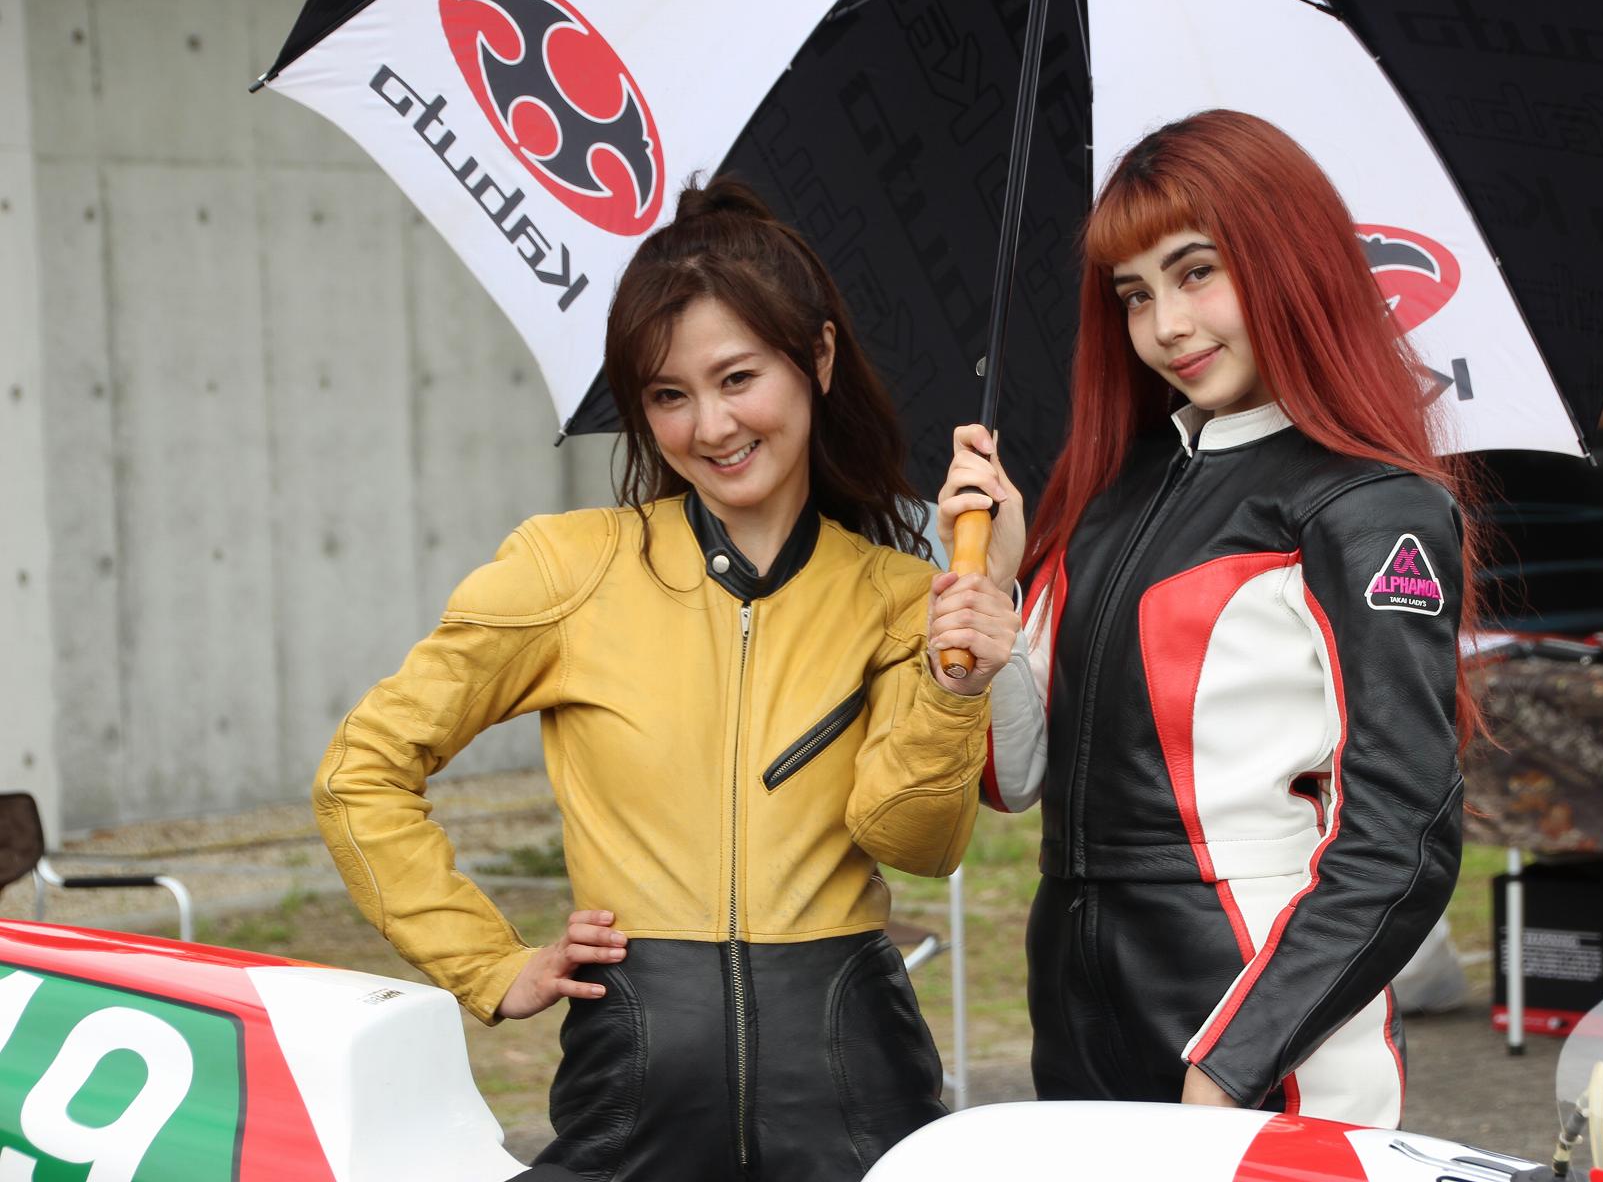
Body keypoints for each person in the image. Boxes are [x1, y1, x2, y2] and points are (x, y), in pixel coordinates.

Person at [315, 176, 1021, 1182]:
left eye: (738, 377)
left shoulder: (901, 594)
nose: (711, 425)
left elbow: (915, 842)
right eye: (668, 395)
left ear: (818, 358)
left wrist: (956, 682)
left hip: (855, 1086)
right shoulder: (569, 568)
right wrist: (491, 963)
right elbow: (362, 771)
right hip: (632, 1090)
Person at [939, 110, 1483, 1126]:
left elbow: (1403, 836)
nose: (1167, 326)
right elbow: (1015, 779)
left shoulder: (1371, 506)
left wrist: (1237, 1058)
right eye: (1135, 294)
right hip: (1079, 1005)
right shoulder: (1109, 490)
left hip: (1266, 1022)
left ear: (1290, 261)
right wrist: (999, 594)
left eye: (1196, 272)